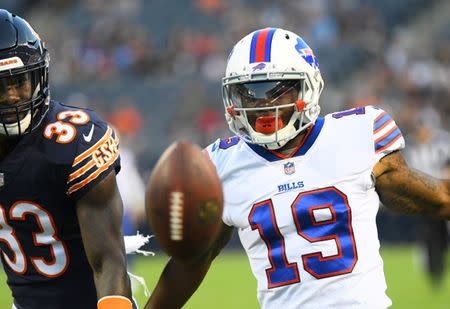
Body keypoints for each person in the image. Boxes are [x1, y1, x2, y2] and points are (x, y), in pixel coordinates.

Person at [145, 28, 450, 308]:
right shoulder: (218, 167)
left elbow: (437, 198)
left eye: (276, 91)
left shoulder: (358, 135)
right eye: (248, 93)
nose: (262, 105)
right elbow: (191, 261)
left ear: (308, 86)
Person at [0, 10, 133, 309]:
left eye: (20, 81)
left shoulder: (73, 140)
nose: (12, 96)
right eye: (0, 86)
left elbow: (108, 262)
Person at [405, 107, 450, 287]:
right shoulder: (410, 148)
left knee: (440, 235)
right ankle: (434, 272)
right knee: (430, 236)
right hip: (425, 200)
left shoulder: (443, 143)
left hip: (444, 195)